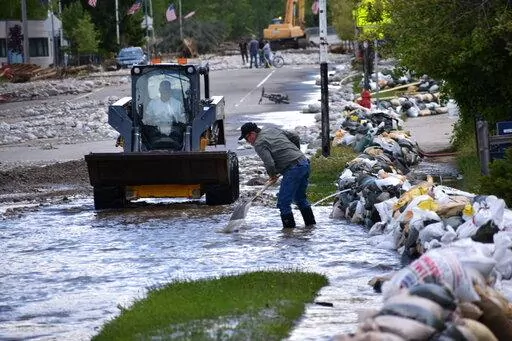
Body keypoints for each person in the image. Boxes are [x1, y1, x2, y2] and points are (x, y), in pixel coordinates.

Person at [239, 122, 316, 229]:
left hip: (293, 169)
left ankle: (288, 234)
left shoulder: (259, 143)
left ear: (252, 134)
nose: (248, 142)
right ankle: (311, 228)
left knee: (283, 203)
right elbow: (294, 136)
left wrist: (272, 176)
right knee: (300, 199)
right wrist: (296, 152)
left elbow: (269, 163)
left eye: (247, 139)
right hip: (304, 163)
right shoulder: (271, 130)